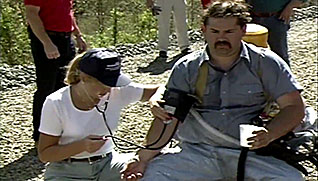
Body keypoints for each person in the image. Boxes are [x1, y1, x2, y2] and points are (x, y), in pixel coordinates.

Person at [122, 1, 306, 180]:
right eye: (215, 31)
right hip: (198, 151)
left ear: (243, 30)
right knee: (152, 176)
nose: (221, 38)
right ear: (204, 30)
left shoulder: (265, 63)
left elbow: (294, 107)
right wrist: (142, 159)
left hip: (251, 153)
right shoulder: (187, 68)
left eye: (229, 32)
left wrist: (270, 134)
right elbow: (168, 117)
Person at [37, 48, 161, 180]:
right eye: (104, 83)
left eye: (113, 82)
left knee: (157, 168)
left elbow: (162, 88)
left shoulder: (116, 90)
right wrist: (82, 146)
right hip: (66, 171)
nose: (109, 88)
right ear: (84, 78)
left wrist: (155, 99)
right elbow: (45, 154)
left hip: (108, 163)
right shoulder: (56, 103)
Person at [24, 0, 87, 144]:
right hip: (46, 38)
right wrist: (47, 43)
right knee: (46, 88)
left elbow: (68, 13)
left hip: (66, 39)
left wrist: (78, 36)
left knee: (67, 86)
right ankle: (41, 137)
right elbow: (32, 15)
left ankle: (63, 132)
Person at [246, 0, 307, 66]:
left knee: (280, 55)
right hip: (252, 19)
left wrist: (290, 7)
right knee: (251, 54)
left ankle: (284, 75)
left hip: (277, 18)